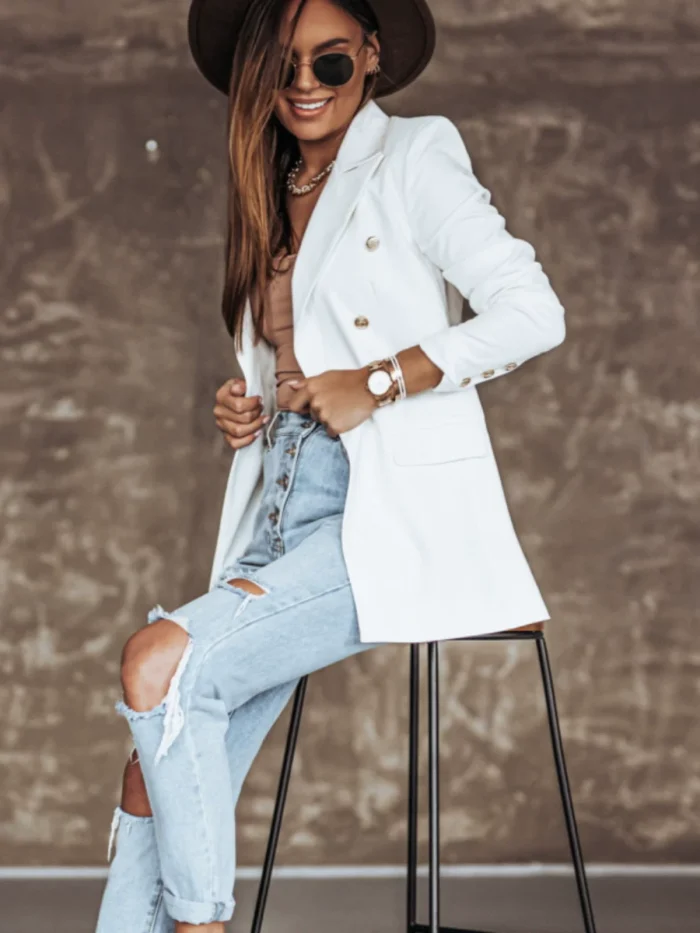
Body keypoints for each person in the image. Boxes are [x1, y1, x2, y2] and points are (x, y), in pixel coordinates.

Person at [95, 0, 567, 930]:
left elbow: (532, 312)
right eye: (285, 65)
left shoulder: (414, 154)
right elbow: (295, 358)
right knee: (152, 768)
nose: (306, 84)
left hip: (375, 512)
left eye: (332, 62)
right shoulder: (273, 182)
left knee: (157, 664)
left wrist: (381, 381)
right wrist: (252, 402)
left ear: (372, 57)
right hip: (278, 499)